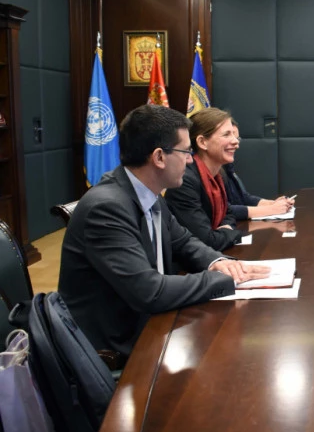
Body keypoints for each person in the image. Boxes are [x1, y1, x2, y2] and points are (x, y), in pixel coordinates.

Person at [58, 104, 269, 357]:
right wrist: (226, 280)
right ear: (159, 157)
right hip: (118, 345)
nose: (190, 160)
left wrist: (220, 263)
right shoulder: (106, 208)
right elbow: (150, 291)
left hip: (152, 322)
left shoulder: (149, 193)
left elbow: (184, 242)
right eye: (186, 152)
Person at [165, 107, 242, 250]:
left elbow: (229, 214)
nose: (235, 141)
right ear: (202, 142)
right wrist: (231, 233)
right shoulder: (185, 181)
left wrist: (224, 230)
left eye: (234, 134)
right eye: (226, 135)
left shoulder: (219, 174)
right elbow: (206, 241)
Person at [223, 122, 293, 221]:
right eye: (227, 135)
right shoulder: (208, 173)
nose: (236, 143)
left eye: (237, 138)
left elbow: (243, 197)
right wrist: (271, 209)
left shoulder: (227, 166)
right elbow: (224, 210)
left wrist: (273, 204)